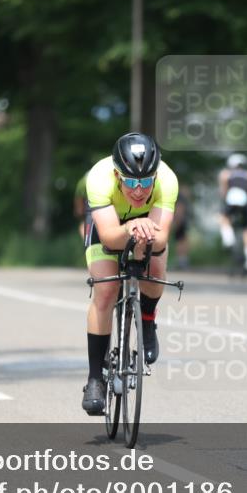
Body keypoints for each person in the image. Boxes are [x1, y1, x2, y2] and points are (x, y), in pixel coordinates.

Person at [81, 133, 178, 415]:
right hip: (110, 225)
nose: (139, 190)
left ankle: (147, 320)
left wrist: (144, 234)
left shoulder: (167, 180)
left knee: (155, 269)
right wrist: (128, 229)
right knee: (106, 289)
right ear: (117, 175)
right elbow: (109, 238)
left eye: (146, 182)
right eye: (131, 182)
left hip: (148, 226)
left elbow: (161, 240)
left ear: (155, 176)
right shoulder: (99, 178)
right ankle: (95, 379)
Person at [218, 153, 247, 273]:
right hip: (245, 201)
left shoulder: (226, 174)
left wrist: (224, 202)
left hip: (232, 198)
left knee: (223, 218)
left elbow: (223, 191)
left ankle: (228, 240)